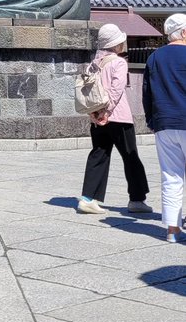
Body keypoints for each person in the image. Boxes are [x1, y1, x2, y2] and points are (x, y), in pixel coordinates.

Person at [78, 22, 150, 216]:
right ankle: (137, 199)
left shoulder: (94, 63)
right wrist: (107, 111)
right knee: (130, 156)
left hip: (96, 117)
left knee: (99, 155)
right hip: (118, 117)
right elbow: (116, 90)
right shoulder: (118, 62)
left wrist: (96, 113)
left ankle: (87, 198)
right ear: (116, 43)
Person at [143, 13, 186, 241]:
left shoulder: (154, 58)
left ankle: (172, 230)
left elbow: (147, 93)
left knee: (171, 177)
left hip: (164, 123)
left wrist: (152, 120)